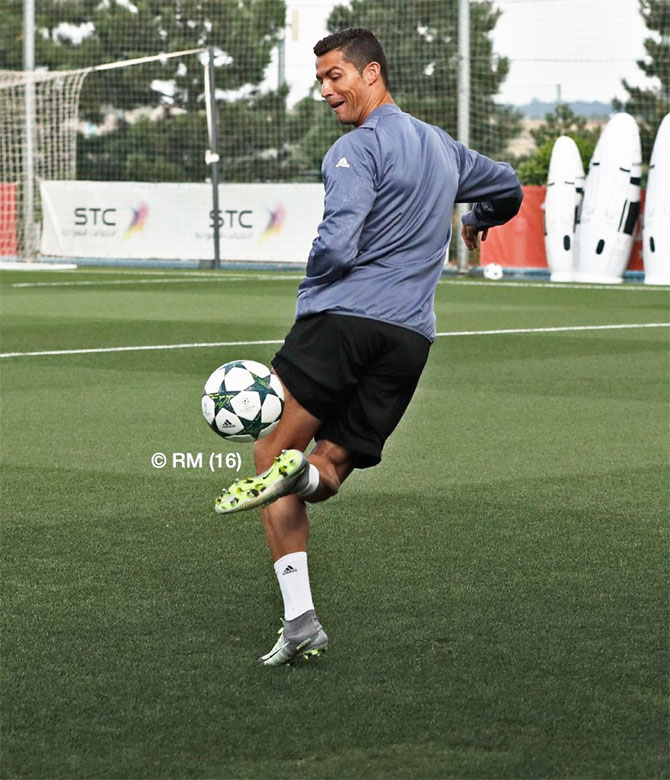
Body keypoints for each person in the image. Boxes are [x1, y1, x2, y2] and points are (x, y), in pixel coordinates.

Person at [214, 27, 523, 666]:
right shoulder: (443, 147)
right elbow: (509, 188)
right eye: (321, 80)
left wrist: (310, 290)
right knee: (322, 469)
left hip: (342, 324)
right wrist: (475, 220)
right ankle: (299, 510)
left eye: (336, 76)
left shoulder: (357, 148)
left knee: (270, 451)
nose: (327, 91)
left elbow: (337, 242)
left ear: (371, 73)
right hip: (410, 339)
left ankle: (300, 617)